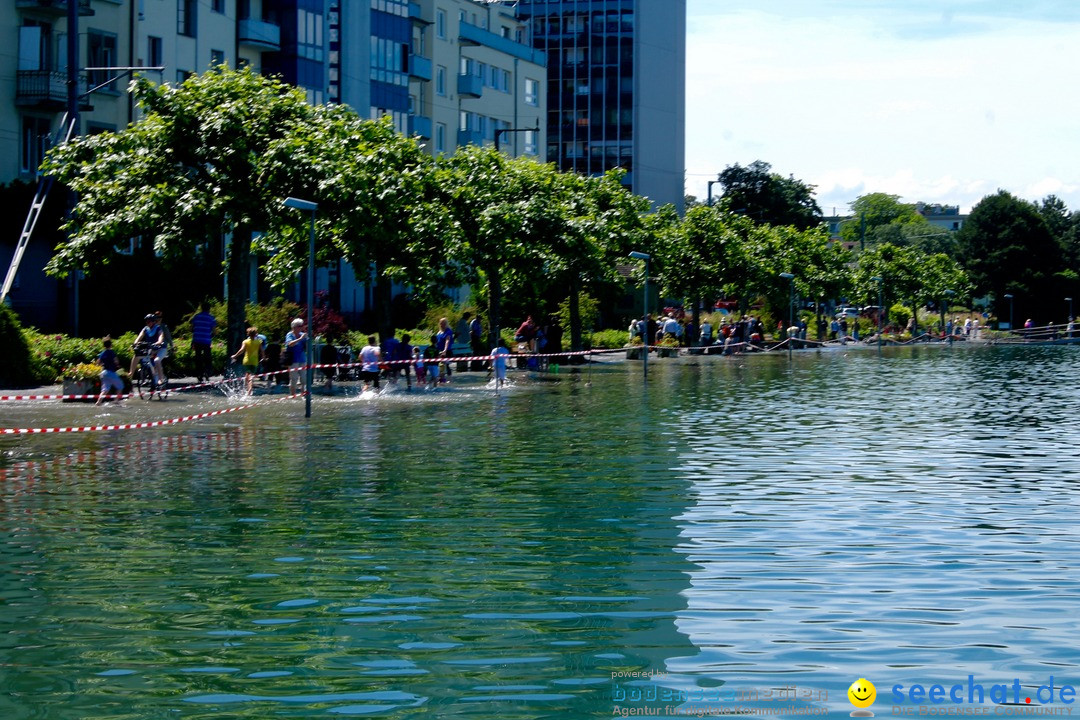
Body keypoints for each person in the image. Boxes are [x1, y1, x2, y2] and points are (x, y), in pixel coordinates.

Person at [131, 313, 167, 386]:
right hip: (152, 348)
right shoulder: (145, 329)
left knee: (156, 360)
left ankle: (161, 379)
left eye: (149, 321)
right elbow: (140, 336)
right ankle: (131, 373)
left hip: (161, 348)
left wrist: (159, 342)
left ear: (153, 321)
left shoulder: (158, 328)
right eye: (146, 321)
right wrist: (135, 343)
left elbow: (161, 336)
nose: (148, 323)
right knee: (137, 356)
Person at [230, 326, 263, 395]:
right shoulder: (258, 342)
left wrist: (235, 356)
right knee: (250, 375)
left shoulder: (245, 341)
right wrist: (264, 357)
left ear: (248, 334)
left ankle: (247, 389)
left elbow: (241, 350)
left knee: (248, 374)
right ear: (256, 334)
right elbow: (262, 351)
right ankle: (248, 388)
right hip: (254, 361)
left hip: (246, 361)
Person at [191, 302, 216, 382]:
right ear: (209, 309)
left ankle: (199, 374)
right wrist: (211, 335)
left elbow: (191, 328)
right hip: (206, 340)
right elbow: (214, 331)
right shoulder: (211, 318)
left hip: (197, 340)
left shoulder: (196, 317)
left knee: (198, 357)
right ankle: (207, 372)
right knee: (207, 357)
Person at [96, 337, 124, 405]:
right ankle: (116, 400)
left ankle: (98, 402)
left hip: (104, 373)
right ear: (111, 345)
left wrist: (103, 363)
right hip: (111, 372)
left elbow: (98, 363)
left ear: (104, 345)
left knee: (105, 389)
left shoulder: (102, 353)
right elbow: (116, 361)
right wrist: (116, 365)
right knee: (120, 386)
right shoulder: (112, 352)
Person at [285, 318, 308, 395]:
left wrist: (307, 339)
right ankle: (293, 394)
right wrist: (300, 339)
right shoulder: (289, 335)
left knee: (303, 378)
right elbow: (290, 344)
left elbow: (307, 347)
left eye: (302, 326)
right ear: (294, 327)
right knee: (294, 378)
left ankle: (303, 393)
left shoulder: (303, 335)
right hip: (293, 359)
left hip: (302, 359)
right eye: (299, 326)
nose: (301, 327)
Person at [436, 317, 455, 382]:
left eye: (443, 323)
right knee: (441, 365)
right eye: (441, 323)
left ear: (446, 324)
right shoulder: (439, 332)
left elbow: (447, 341)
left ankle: (449, 378)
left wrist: (445, 350)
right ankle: (441, 379)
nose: (442, 325)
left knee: (446, 365)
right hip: (439, 350)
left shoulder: (448, 331)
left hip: (447, 351)